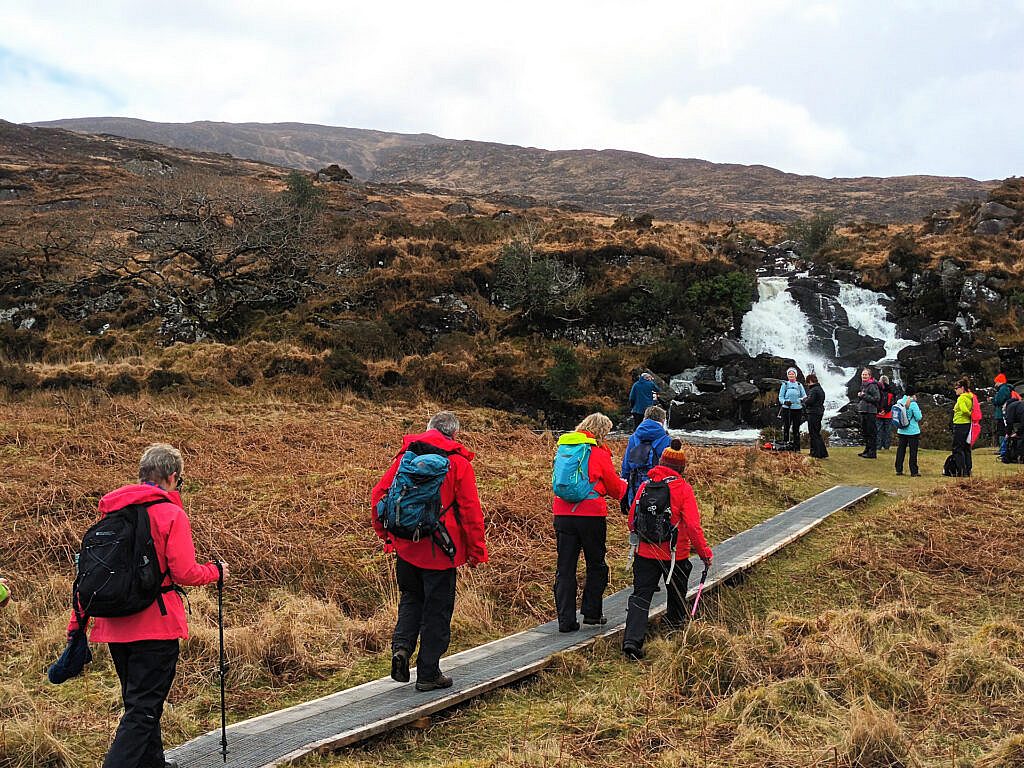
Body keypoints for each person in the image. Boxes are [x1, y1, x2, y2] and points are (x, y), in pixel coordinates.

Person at [68, 443, 226, 768]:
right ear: (171, 477)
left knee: (139, 705)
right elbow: (184, 572)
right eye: (179, 482)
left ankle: (154, 764)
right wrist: (216, 571)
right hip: (156, 626)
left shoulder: (112, 513)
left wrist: (77, 626)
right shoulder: (171, 514)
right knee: (143, 710)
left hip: (113, 626)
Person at [371, 411, 488, 691]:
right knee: (437, 610)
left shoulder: (406, 457)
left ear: (428, 429)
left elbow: (380, 495)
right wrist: (476, 550)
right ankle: (428, 673)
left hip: (407, 546)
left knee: (411, 600)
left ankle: (401, 650)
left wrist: (386, 535)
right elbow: (471, 512)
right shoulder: (458, 463)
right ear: (454, 434)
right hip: (441, 552)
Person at [621, 440, 712, 660]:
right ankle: (674, 636)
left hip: (644, 552)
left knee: (641, 596)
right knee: (678, 596)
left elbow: (632, 520)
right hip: (675, 555)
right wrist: (705, 554)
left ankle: (632, 642)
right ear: (682, 468)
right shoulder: (683, 488)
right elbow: (692, 526)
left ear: (661, 462)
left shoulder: (645, 486)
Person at [552, 413, 627, 632]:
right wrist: (625, 487)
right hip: (591, 516)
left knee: (565, 568)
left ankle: (565, 621)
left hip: (563, 515)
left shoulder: (565, 448)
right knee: (596, 564)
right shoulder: (598, 451)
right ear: (602, 431)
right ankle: (592, 613)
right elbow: (614, 488)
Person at [620, 405, 671, 511]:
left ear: (645, 418)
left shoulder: (634, 437)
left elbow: (626, 466)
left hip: (636, 487)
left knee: (637, 519)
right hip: (660, 489)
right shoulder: (666, 439)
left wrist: (623, 490)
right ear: (662, 420)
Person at [894, 386, 923, 476]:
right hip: (912, 431)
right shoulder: (913, 404)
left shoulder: (899, 402)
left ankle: (898, 469)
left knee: (901, 450)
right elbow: (918, 417)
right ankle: (913, 471)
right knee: (913, 451)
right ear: (913, 393)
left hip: (901, 430)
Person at [778, 368, 806, 451]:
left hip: (797, 409)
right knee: (786, 427)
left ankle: (797, 447)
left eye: (792, 374)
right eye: (789, 374)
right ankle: (785, 445)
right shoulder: (785, 385)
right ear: (787, 376)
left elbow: (804, 395)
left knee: (796, 428)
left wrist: (802, 401)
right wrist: (784, 402)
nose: (791, 375)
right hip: (787, 409)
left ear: (795, 375)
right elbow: (780, 397)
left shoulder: (799, 385)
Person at [951, 379, 975, 477]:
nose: (955, 390)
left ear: (962, 388)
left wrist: (969, 414)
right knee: (966, 447)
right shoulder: (970, 397)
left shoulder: (961, 398)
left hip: (960, 424)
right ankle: (968, 469)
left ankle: (961, 470)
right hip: (968, 424)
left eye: (956, 388)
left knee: (957, 448)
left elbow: (964, 410)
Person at [856, 368, 881, 459]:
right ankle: (867, 450)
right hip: (864, 411)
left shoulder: (872, 385)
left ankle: (872, 453)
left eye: (866, 375)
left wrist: (863, 395)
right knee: (865, 432)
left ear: (870, 376)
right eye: (863, 375)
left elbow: (877, 398)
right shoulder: (864, 385)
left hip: (870, 412)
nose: (864, 376)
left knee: (871, 432)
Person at [802, 374, 828, 459]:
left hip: (813, 413)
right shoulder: (820, 389)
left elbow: (810, 401)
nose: (807, 384)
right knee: (817, 433)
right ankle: (822, 452)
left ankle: (816, 453)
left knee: (813, 433)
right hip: (819, 412)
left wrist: (804, 400)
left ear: (810, 381)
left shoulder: (813, 390)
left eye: (807, 382)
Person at [993, 373, 1014, 448]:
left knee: (1001, 431)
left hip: (1002, 413)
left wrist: (993, 399)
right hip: (1003, 412)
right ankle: (1004, 448)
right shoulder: (1005, 389)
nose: (995, 384)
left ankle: (1003, 448)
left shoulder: (1003, 389)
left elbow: (998, 400)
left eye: (996, 382)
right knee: (1003, 430)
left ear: (999, 381)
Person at [876, 375, 895, 451]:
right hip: (888, 414)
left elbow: (876, 401)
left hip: (878, 414)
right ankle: (886, 446)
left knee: (878, 430)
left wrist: (879, 410)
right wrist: (886, 410)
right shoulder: (891, 391)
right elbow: (892, 403)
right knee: (887, 431)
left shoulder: (877, 390)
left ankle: (878, 446)